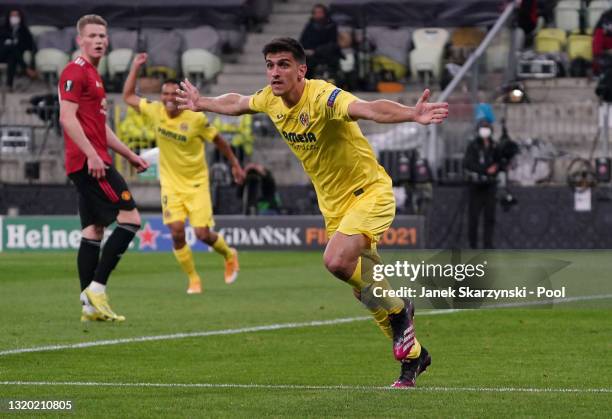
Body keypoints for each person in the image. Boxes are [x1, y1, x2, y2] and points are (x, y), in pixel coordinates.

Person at [176, 37, 449, 387]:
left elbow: (368, 108)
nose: (275, 72)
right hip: (333, 207)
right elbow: (238, 102)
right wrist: (204, 103)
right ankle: (414, 358)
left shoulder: (323, 97)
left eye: (284, 64)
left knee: (336, 261)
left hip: (369, 194)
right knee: (366, 289)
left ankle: (400, 312)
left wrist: (412, 114)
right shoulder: (270, 100)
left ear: (302, 70)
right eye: (270, 65)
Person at [123, 53, 244, 294]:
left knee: (202, 234)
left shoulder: (196, 118)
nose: (168, 99)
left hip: (197, 183)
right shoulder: (155, 110)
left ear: (181, 96)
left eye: (173, 94)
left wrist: (235, 164)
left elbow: (219, 141)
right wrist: (136, 67)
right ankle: (193, 279)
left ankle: (229, 253)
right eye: (165, 94)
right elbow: (128, 96)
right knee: (177, 232)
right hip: (170, 185)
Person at [59, 15, 149, 322]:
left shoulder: (95, 77)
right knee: (131, 219)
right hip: (90, 163)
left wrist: (130, 154)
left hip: (92, 158)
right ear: (80, 40)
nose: (99, 40)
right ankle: (97, 288)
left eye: (103, 36)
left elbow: (101, 127)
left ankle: (89, 308)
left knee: (93, 230)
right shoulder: (75, 71)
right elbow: (66, 118)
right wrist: (93, 156)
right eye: (93, 35)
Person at [464, 119, 499, 249]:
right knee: (473, 218)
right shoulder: (473, 145)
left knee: (490, 218)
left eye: (487, 127)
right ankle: (473, 245)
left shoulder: (494, 146)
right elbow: (468, 163)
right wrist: (484, 169)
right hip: (476, 186)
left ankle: (488, 245)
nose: (485, 130)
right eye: (483, 128)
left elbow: (499, 161)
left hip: (490, 186)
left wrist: (497, 167)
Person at [299, 4, 339, 79]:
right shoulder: (310, 25)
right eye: (316, 12)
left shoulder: (331, 25)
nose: (318, 14)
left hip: (325, 53)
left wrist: (316, 51)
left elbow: (333, 43)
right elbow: (302, 40)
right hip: (310, 53)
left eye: (320, 12)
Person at [0, 8, 36, 90]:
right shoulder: (2, 28)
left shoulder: (24, 30)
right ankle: (26, 69)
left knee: (12, 56)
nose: (14, 17)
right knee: (10, 46)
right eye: (12, 15)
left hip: (15, 55)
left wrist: (18, 45)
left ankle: (9, 85)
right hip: (1, 54)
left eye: (16, 15)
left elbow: (30, 45)